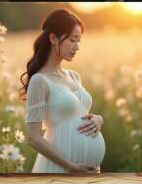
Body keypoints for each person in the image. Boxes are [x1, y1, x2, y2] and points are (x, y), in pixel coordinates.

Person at [20, 9, 106, 173]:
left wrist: (98, 119)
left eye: (79, 40)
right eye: (73, 40)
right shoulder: (40, 80)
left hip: (89, 171)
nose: (77, 46)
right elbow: (33, 137)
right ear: (53, 38)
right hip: (61, 168)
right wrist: (70, 166)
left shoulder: (74, 76)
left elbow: (78, 114)